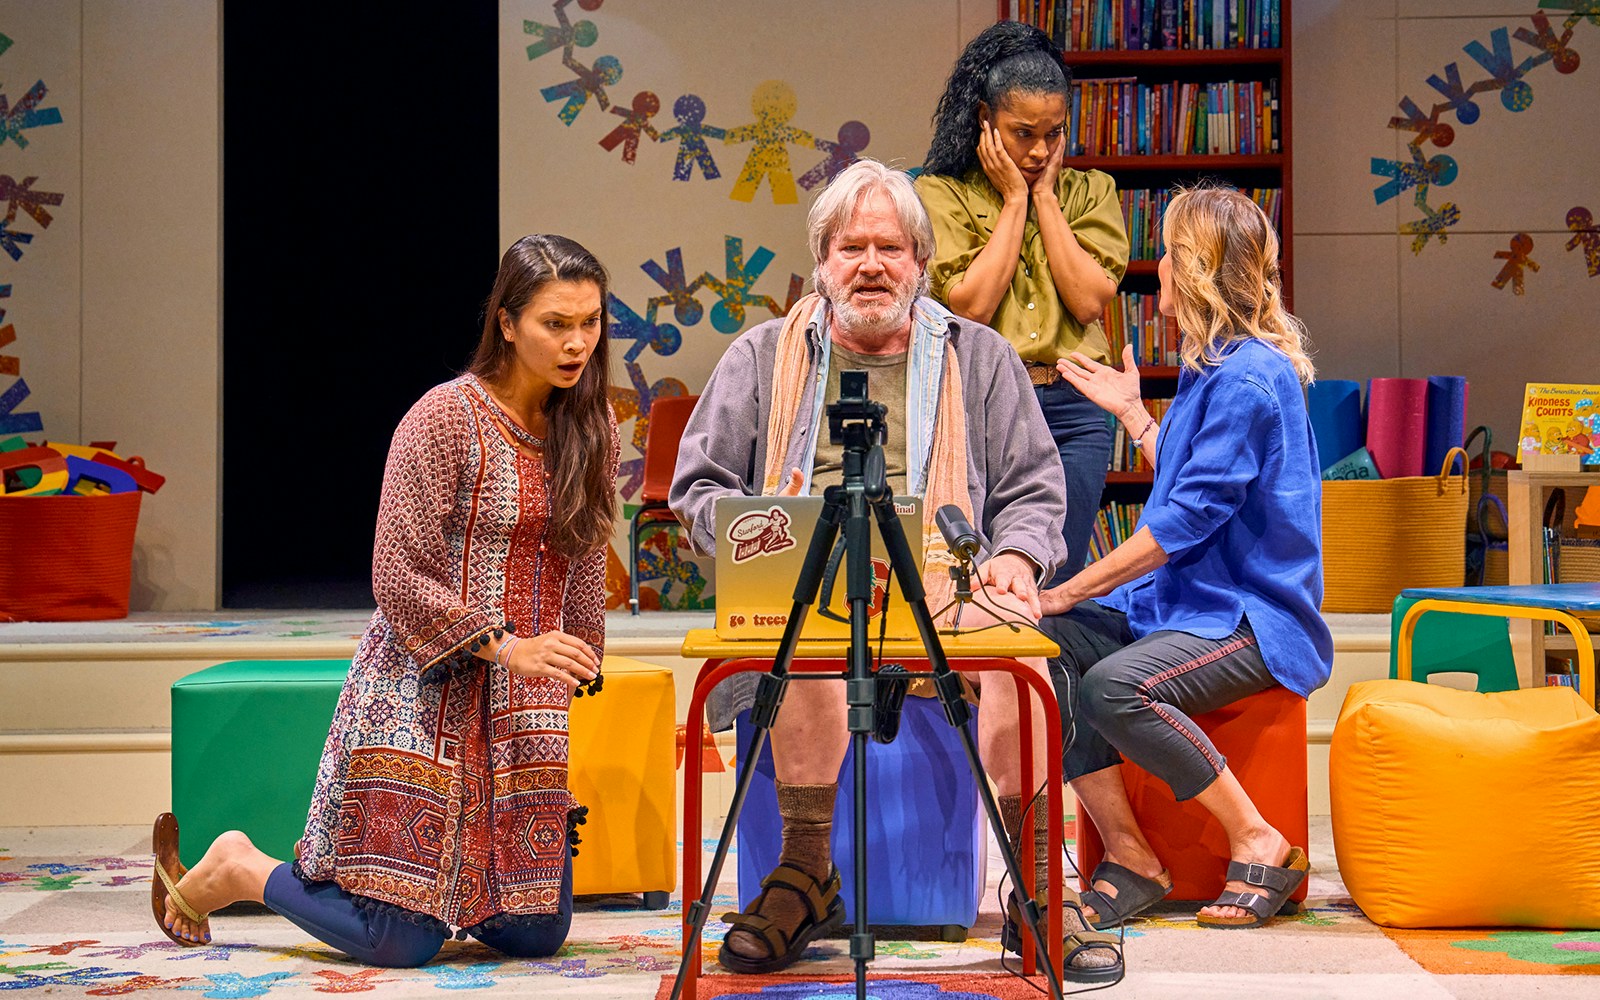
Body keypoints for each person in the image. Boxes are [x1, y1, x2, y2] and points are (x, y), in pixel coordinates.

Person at [671, 158, 1122, 982]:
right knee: (803, 643)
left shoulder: (980, 357)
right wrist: (751, 542)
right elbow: (697, 488)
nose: (870, 265)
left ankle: (1037, 889)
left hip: (952, 587)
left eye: (889, 247)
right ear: (822, 260)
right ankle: (805, 874)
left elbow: (1032, 489)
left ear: (920, 263)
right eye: (851, 247)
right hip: (804, 594)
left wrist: (1018, 559)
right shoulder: (762, 357)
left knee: (1024, 659)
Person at [150, 234, 621, 966]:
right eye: (555, 323)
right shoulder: (443, 418)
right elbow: (396, 575)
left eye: (590, 322)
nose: (577, 342)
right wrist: (506, 645)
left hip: (524, 699)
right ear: (506, 322)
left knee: (535, 933)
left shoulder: (590, 427)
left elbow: (585, 552)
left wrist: (582, 658)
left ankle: (450, 892)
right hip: (421, 685)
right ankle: (242, 866)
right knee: (399, 941)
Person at [1039, 185, 1331, 930]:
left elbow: (1181, 525)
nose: (1157, 269)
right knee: (1045, 651)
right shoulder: (1215, 368)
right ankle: (1131, 853)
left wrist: (1068, 589)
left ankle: (1258, 838)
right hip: (1189, 611)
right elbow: (1195, 480)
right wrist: (1135, 412)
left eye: (1168, 255)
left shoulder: (1247, 379)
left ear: (1193, 271)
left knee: (1113, 688)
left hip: (1252, 621)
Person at [915, 20, 1130, 585]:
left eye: (1054, 133)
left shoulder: (1092, 191)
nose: (1039, 150)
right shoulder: (939, 193)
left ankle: (1046, 676)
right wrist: (1014, 200)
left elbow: (1087, 302)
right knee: (979, 567)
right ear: (985, 120)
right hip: (984, 400)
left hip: (1076, 407)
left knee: (1057, 569)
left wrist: (1045, 199)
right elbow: (972, 307)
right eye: (1022, 133)